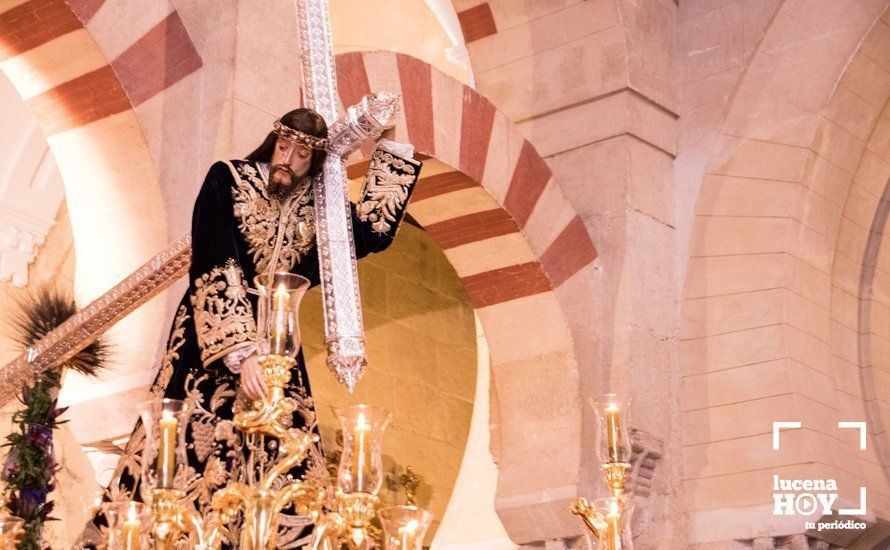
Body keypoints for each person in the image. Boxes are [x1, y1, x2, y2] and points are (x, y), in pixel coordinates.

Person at [77, 108, 421, 547]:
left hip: (280, 341)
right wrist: (242, 353)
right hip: (212, 337)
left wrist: (387, 147)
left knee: (290, 459)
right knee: (183, 451)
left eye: (301, 155)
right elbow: (215, 258)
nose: (288, 160)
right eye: (284, 147)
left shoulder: (322, 208)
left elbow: (371, 231)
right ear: (272, 141)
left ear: (313, 162)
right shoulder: (228, 178)